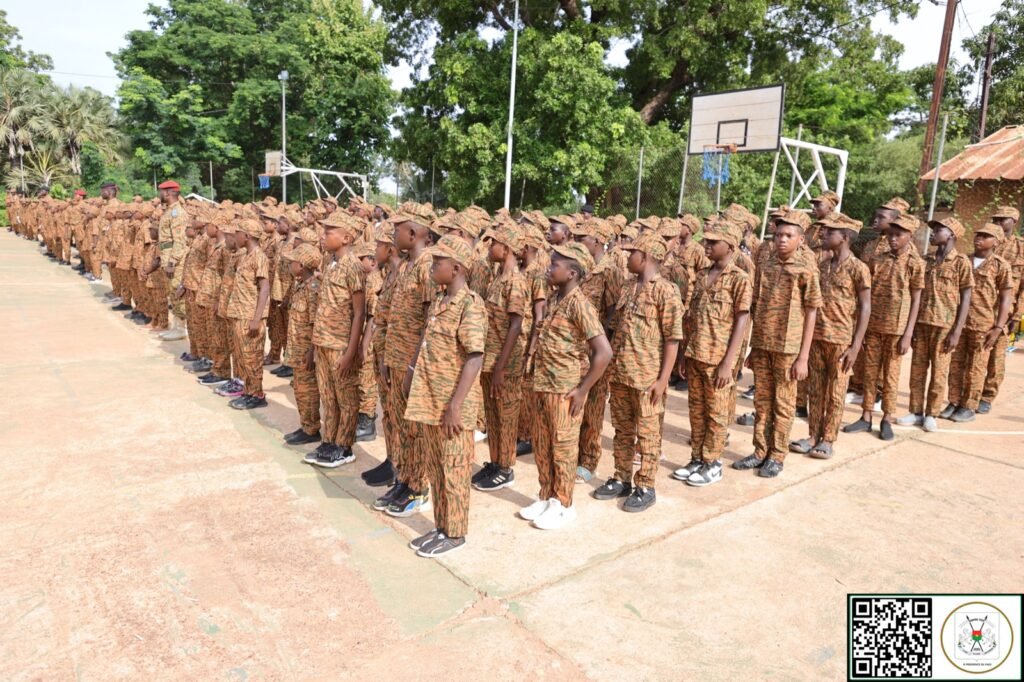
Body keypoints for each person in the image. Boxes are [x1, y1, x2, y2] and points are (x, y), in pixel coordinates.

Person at [404, 234, 486, 557]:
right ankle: (441, 527)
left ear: (456, 269)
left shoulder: (470, 304)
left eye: (438, 263)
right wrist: (412, 373)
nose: (432, 266)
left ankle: (455, 533)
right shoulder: (439, 301)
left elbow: (474, 356)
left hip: (452, 406)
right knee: (437, 468)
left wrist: (455, 406)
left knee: (453, 470)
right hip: (431, 402)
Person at [520, 242, 612, 530]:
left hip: (564, 389)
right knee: (543, 444)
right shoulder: (555, 299)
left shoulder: (579, 304)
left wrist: (583, 389)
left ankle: (564, 504)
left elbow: (604, 352)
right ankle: (547, 496)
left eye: (555, 265)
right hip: (543, 385)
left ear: (572, 273)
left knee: (563, 448)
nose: (550, 268)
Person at [596, 232, 682, 511]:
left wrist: (663, 380)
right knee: (622, 430)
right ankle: (621, 478)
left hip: (647, 379)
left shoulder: (665, 291)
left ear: (644, 258)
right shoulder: (628, 286)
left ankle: (645, 484)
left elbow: (672, 339)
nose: (626, 257)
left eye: (631, 253)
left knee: (647, 435)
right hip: (621, 374)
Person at [733, 209, 821, 478]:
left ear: (801, 240)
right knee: (762, 402)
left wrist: (803, 356)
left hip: (789, 349)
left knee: (783, 404)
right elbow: (757, 307)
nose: (781, 239)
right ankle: (760, 451)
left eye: (788, 235)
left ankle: (777, 455)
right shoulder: (767, 266)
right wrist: (753, 348)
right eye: (778, 234)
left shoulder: (806, 270)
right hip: (764, 345)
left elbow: (812, 311)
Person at [673, 222, 751, 486]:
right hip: (696, 353)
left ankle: (713, 462)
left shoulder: (739, 278)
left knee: (716, 414)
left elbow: (742, 320)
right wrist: (684, 354)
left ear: (729, 245)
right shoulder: (704, 274)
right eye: (705, 241)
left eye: (712, 242)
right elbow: (693, 318)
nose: (706, 245)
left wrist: (729, 362)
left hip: (718, 358)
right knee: (697, 410)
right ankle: (697, 457)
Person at [789, 215, 871, 459]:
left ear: (844, 237)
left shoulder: (858, 268)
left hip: (841, 340)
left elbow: (865, 307)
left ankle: (828, 439)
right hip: (817, 338)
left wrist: (856, 345)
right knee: (815, 390)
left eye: (829, 232)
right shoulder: (823, 266)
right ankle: (813, 435)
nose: (822, 234)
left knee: (836, 393)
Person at [378, 203, 438, 517]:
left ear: (413, 233)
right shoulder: (407, 267)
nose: (393, 234)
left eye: (398, 229)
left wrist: (414, 365)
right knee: (401, 426)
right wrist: (388, 360)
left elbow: (429, 321)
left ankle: (418, 488)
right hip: (396, 358)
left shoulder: (428, 266)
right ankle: (404, 479)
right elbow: (395, 318)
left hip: (413, 364)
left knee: (414, 430)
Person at [843, 214, 924, 440]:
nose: (893, 238)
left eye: (899, 235)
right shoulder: (879, 259)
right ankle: (866, 416)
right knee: (869, 372)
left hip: (897, 330)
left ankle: (887, 418)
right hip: (874, 326)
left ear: (910, 236)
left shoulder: (915, 263)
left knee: (890, 375)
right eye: (891, 234)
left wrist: (908, 333)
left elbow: (917, 299)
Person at [897, 217, 973, 432]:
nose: (933, 233)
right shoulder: (926, 260)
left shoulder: (961, 263)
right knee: (917, 371)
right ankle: (915, 411)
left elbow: (966, 297)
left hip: (945, 326)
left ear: (951, 235)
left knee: (939, 373)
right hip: (922, 323)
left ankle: (932, 413)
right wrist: (909, 328)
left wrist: (957, 330)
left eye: (938, 230)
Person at [307, 212, 366, 467]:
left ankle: (344, 445)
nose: (324, 236)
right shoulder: (329, 263)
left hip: (340, 343)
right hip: (323, 341)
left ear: (346, 237)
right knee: (328, 395)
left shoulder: (353, 266)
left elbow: (360, 312)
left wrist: (351, 351)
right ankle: (329, 440)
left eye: (329, 232)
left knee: (346, 397)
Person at [475, 223, 528, 491]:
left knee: (506, 415)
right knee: (493, 414)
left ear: (506, 248)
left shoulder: (516, 282)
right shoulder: (498, 278)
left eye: (493, 242)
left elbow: (516, 325)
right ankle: (495, 462)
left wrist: (500, 367)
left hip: (505, 363)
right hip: (491, 358)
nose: (489, 246)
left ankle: (506, 467)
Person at [944, 223, 1015, 421]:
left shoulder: (1000, 266)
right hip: (959, 324)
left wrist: (999, 327)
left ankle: (969, 405)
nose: (979, 238)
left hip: (983, 325)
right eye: (978, 234)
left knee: (976, 367)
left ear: (996, 242)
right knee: (956, 365)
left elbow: (1005, 298)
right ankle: (954, 401)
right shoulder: (963, 261)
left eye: (986, 236)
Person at [225, 219, 271, 410]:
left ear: (248, 236)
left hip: (250, 315)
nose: (236, 236)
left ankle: (257, 394)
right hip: (239, 312)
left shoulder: (259, 257)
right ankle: (248, 391)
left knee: (252, 358)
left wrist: (257, 318)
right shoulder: (245, 255)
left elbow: (264, 288)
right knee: (243, 357)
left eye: (239, 233)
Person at [981, 206, 1024, 409]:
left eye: (1002, 219)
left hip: (1005, 310)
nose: (997, 222)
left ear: (1014, 222)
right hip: (981, 307)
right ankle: (971, 392)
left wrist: (1018, 314)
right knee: (976, 352)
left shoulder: (1021, 248)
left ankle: (987, 396)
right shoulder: (987, 243)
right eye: (995, 218)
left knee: (996, 354)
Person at [282, 241, 323, 445]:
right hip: (297, 348)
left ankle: (311, 428)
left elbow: (317, 322)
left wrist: (311, 352)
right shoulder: (301, 286)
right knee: (300, 388)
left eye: (293, 262)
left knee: (308, 390)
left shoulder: (313, 288)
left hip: (306, 349)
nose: (289, 265)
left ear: (302, 265)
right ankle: (306, 424)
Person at [156, 180, 190, 341]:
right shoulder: (169, 211)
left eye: (161, 192)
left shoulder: (178, 213)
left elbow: (180, 240)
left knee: (177, 292)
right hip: (167, 255)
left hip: (174, 259)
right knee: (172, 292)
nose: (160, 195)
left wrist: (172, 262)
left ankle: (182, 328)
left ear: (168, 193)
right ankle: (176, 326)